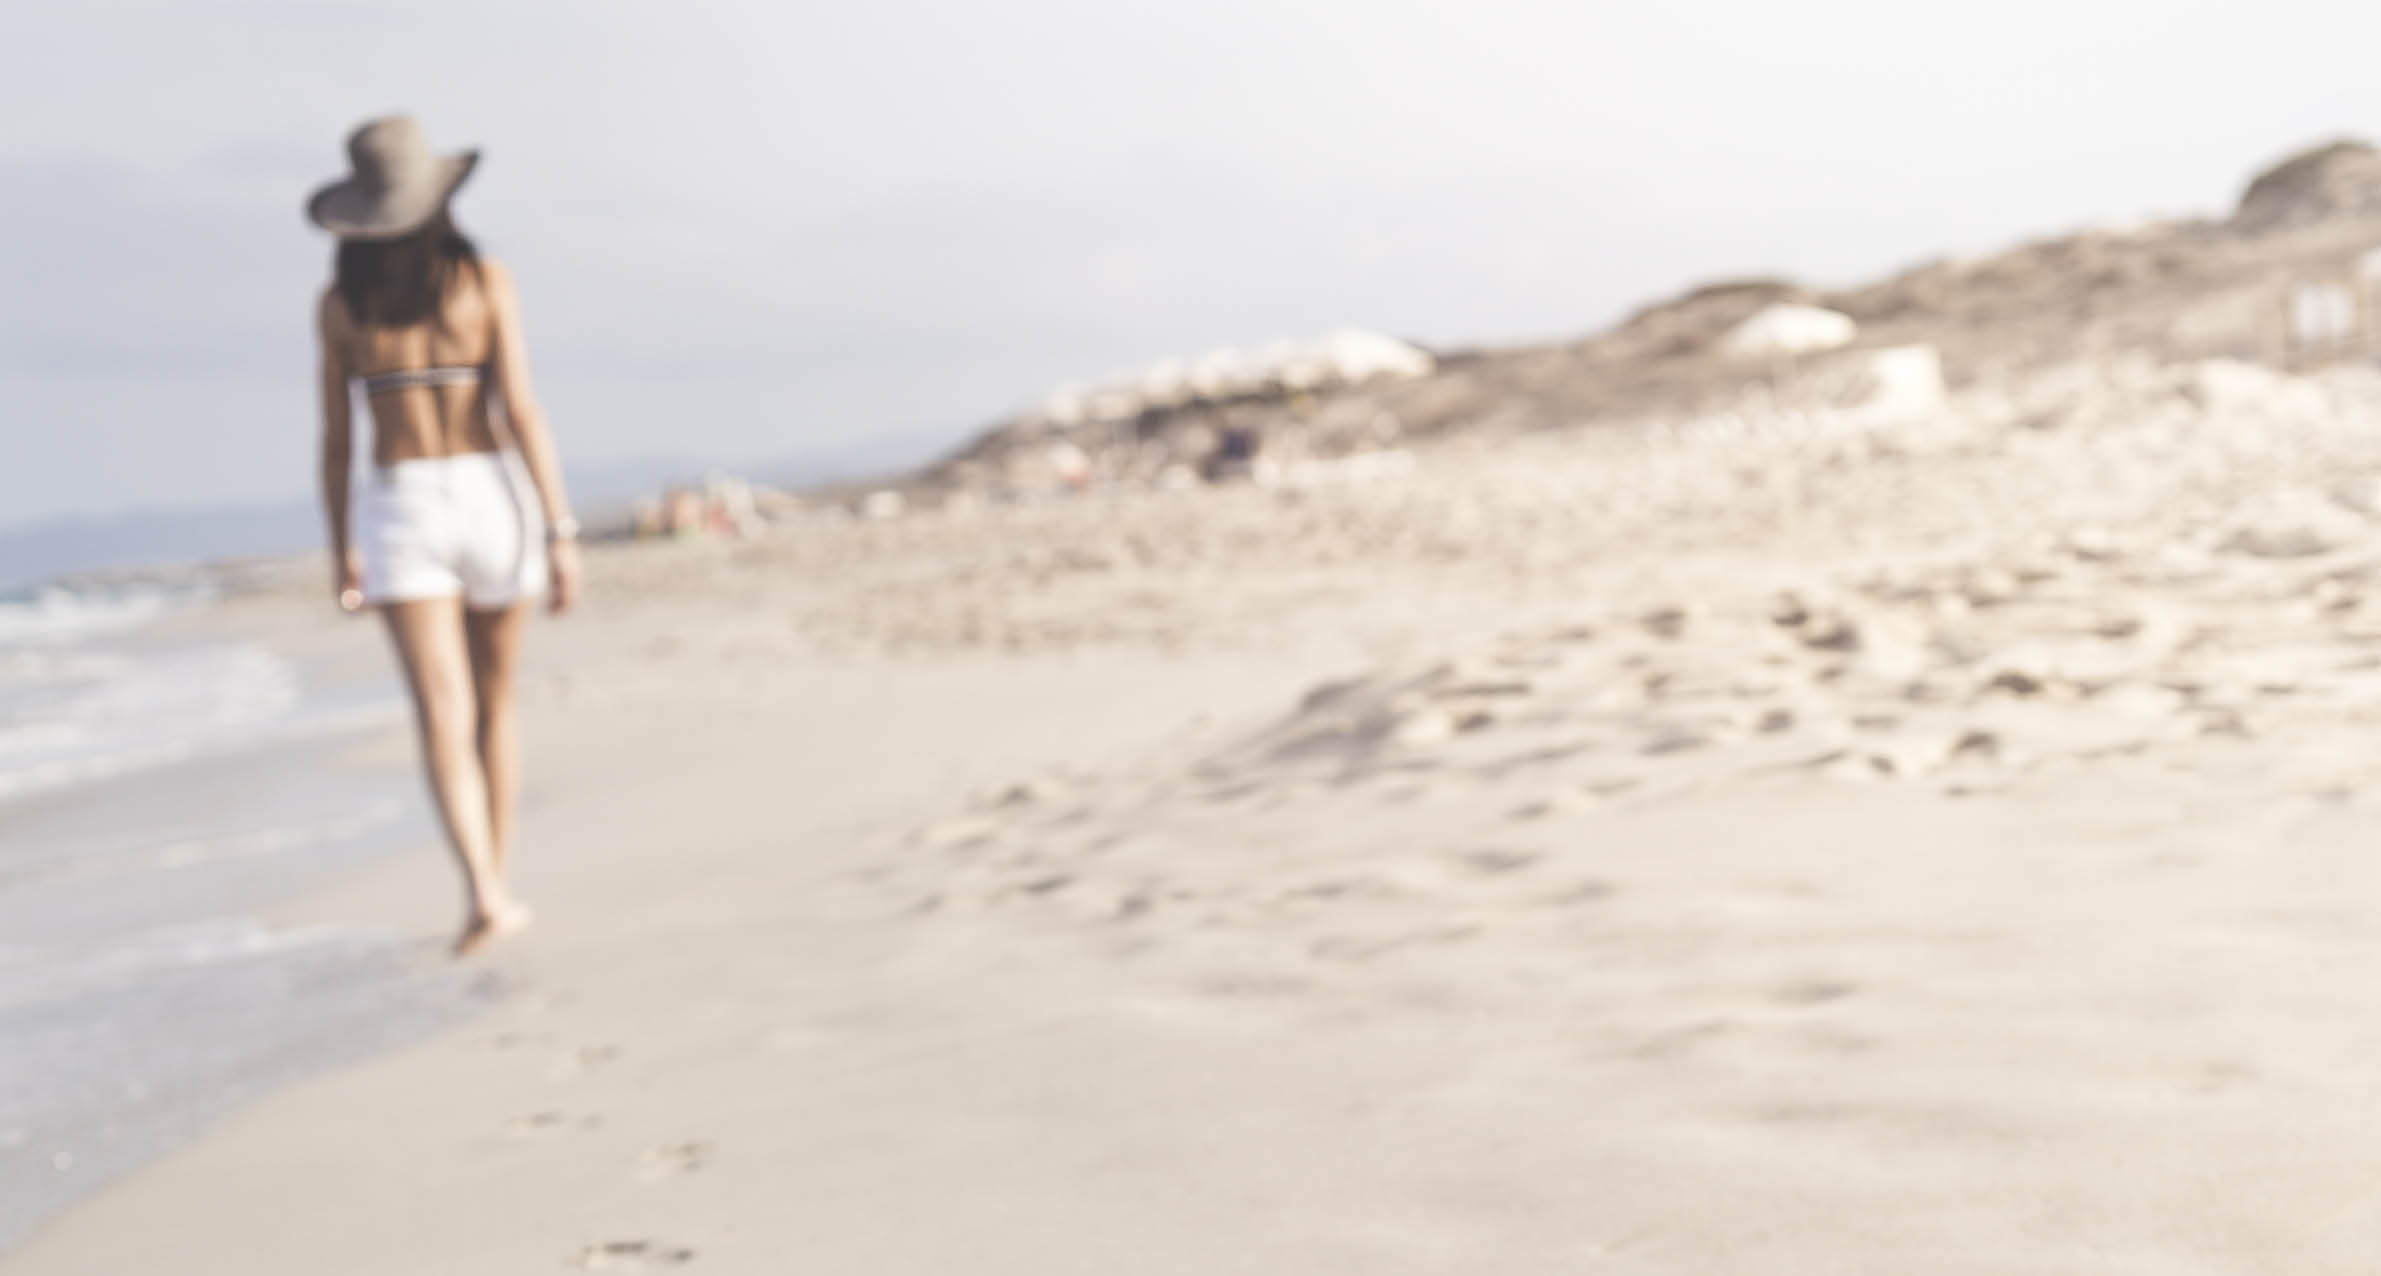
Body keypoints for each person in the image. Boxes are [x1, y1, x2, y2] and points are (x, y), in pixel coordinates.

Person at [307, 115, 581, 956]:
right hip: (491, 491)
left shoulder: (340, 305)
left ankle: (483, 888)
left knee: (440, 712)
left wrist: (341, 547)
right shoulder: (483, 280)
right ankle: (495, 880)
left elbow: (337, 439)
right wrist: (561, 529)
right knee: (495, 707)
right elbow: (521, 409)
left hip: (401, 503)